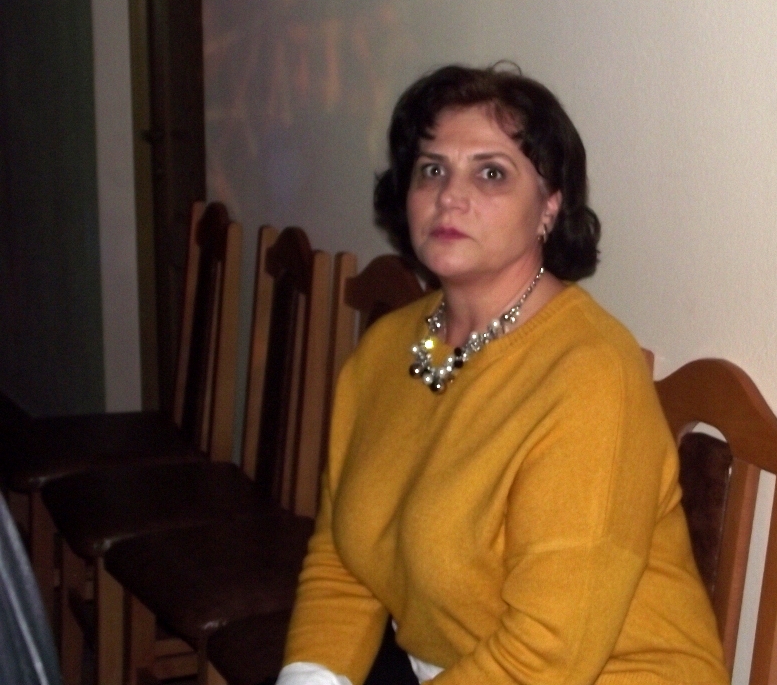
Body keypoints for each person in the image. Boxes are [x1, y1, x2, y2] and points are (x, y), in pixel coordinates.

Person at [279, 64, 728, 685]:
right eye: (431, 169)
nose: (449, 196)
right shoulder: (383, 352)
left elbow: (547, 654)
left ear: (549, 207)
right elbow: (343, 561)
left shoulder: (591, 375)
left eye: (491, 173)